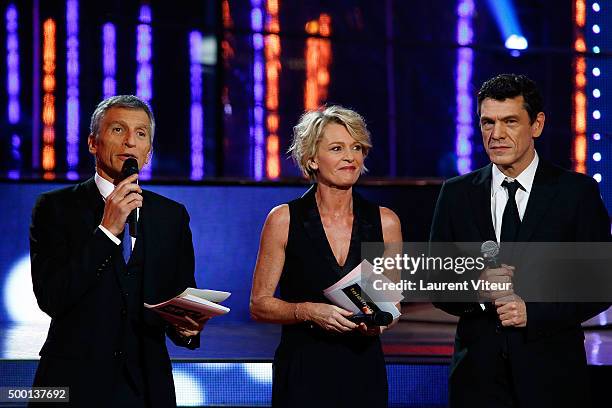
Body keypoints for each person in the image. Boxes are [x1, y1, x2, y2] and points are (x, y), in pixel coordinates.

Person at [430, 74, 611, 407]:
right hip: (477, 380)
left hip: (552, 377)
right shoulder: (455, 193)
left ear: (537, 124)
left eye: (510, 122)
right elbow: (436, 280)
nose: (496, 134)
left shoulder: (577, 193)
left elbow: (600, 284)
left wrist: (535, 313)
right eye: (488, 122)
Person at [29, 95, 205, 408]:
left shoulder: (172, 216)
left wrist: (186, 329)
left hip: (148, 386)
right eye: (118, 130)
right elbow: (52, 297)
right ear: (92, 143)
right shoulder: (54, 208)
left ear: (148, 153)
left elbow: (180, 297)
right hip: (73, 383)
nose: (129, 142)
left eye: (141, 134)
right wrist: (107, 232)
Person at [250, 106, 402, 407]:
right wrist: (308, 311)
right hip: (303, 370)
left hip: (363, 370)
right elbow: (259, 305)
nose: (351, 157)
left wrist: (378, 322)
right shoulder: (283, 220)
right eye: (337, 148)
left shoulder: (385, 222)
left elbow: (393, 303)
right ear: (312, 160)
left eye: (357, 147)